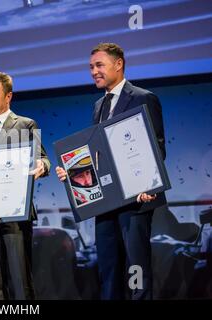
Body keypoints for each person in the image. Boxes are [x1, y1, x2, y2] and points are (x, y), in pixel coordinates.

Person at [56, 43, 167, 300]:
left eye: (99, 65)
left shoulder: (143, 97)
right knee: (109, 268)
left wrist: (148, 185)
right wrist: (72, 173)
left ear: (118, 64)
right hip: (106, 203)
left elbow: (156, 148)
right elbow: (99, 155)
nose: (94, 71)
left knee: (136, 266)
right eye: (91, 67)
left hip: (136, 200)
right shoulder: (99, 106)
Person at [0, 71, 51, 300]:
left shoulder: (25, 124)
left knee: (20, 282)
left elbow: (42, 158)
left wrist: (42, 166)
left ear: (8, 96)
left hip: (16, 213)